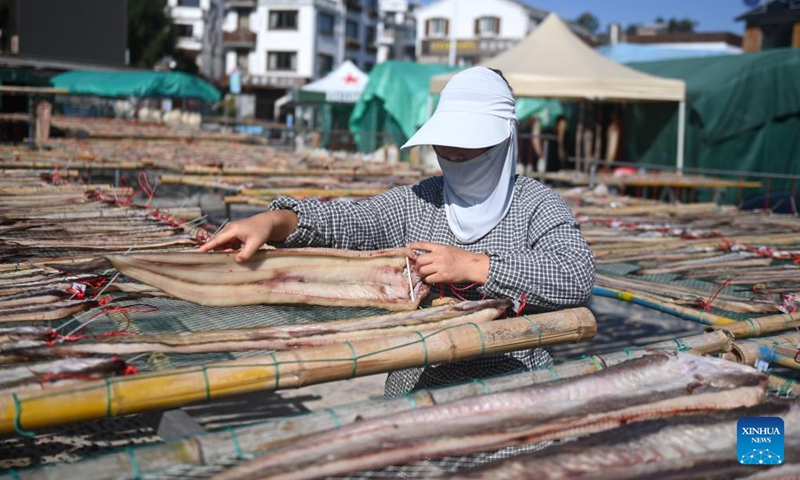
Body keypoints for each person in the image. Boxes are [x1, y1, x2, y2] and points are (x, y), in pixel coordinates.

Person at [199, 66, 595, 397]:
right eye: (447, 147)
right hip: (417, 394)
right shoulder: (420, 200)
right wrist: (275, 221)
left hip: (515, 401)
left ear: (504, 141)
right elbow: (351, 222)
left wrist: (476, 266)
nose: (454, 157)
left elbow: (575, 275)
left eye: (469, 148)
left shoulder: (535, 204)